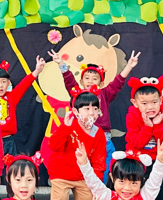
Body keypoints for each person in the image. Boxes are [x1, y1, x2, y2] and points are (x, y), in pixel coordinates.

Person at [50, 48, 140, 179]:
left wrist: (129, 66)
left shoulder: (105, 93)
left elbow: (117, 83)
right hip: (81, 139)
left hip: (103, 139)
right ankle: (82, 191)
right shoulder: (77, 94)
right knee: (80, 171)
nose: (90, 81)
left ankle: (101, 191)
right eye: (87, 78)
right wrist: (61, 64)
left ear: (101, 83)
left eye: (95, 78)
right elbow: (69, 80)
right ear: (81, 82)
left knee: (105, 169)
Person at [44, 86, 106, 200]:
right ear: (76, 111)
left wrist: (96, 182)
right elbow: (53, 145)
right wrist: (64, 128)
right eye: (87, 109)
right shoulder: (69, 125)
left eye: (95, 108)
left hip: (83, 177)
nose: (91, 112)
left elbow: (99, 160)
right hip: (61, 174)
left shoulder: (98, 133)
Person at [0, 57, 46, 156]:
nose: (0, 85)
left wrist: (36, 71)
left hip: (9, 141)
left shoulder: (12, 97)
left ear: (8, 83)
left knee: (10, 165)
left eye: (3, 81)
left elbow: (24, 85)